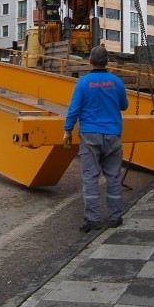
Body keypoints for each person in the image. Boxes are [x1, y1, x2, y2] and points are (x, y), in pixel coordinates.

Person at [64, 46, 128, 232]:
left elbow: (74, 109)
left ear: (90, 61)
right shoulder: (116, 82)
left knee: (90, 177)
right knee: (114, 176)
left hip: (90, 135)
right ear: (106, 61)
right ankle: (115, 217)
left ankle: (93, 220)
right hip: (113, 135)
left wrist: (67, 130)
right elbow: (124, 105)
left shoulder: (83, 83)